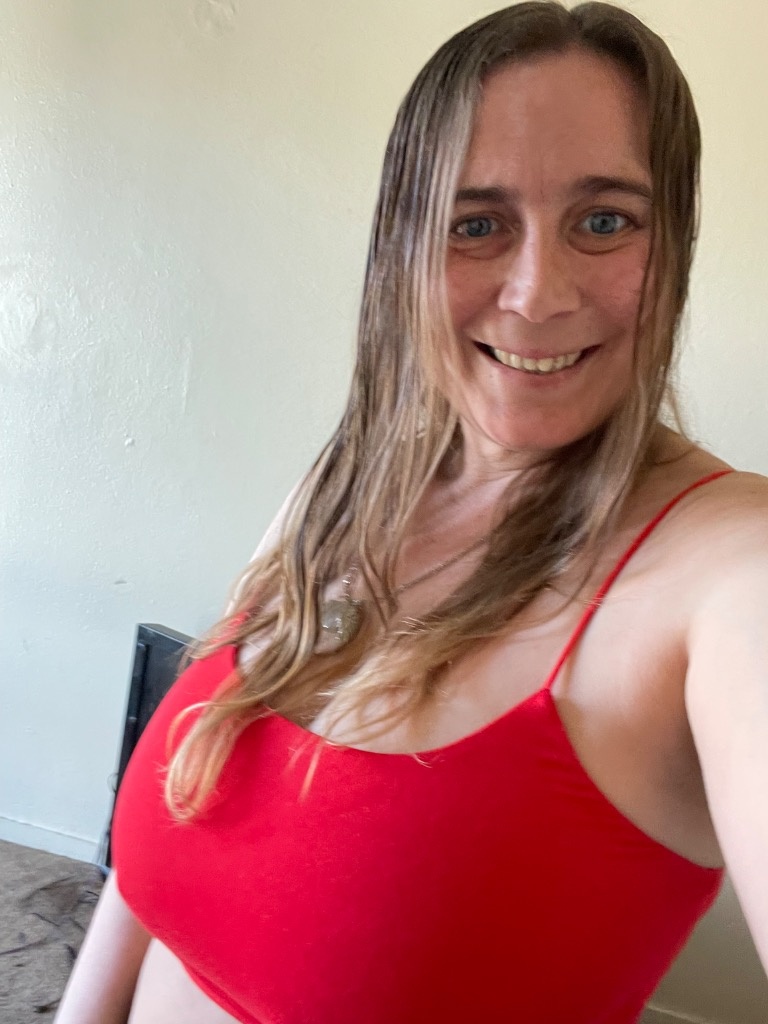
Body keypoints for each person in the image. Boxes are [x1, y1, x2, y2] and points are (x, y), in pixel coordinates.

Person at [56, 2, 768, 1023]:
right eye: (477, 224)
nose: (537, 293)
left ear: (676, 244)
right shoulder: (347, 483)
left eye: (605, 220)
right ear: (401, 245)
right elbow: (163, 845)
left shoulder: (728, 569)